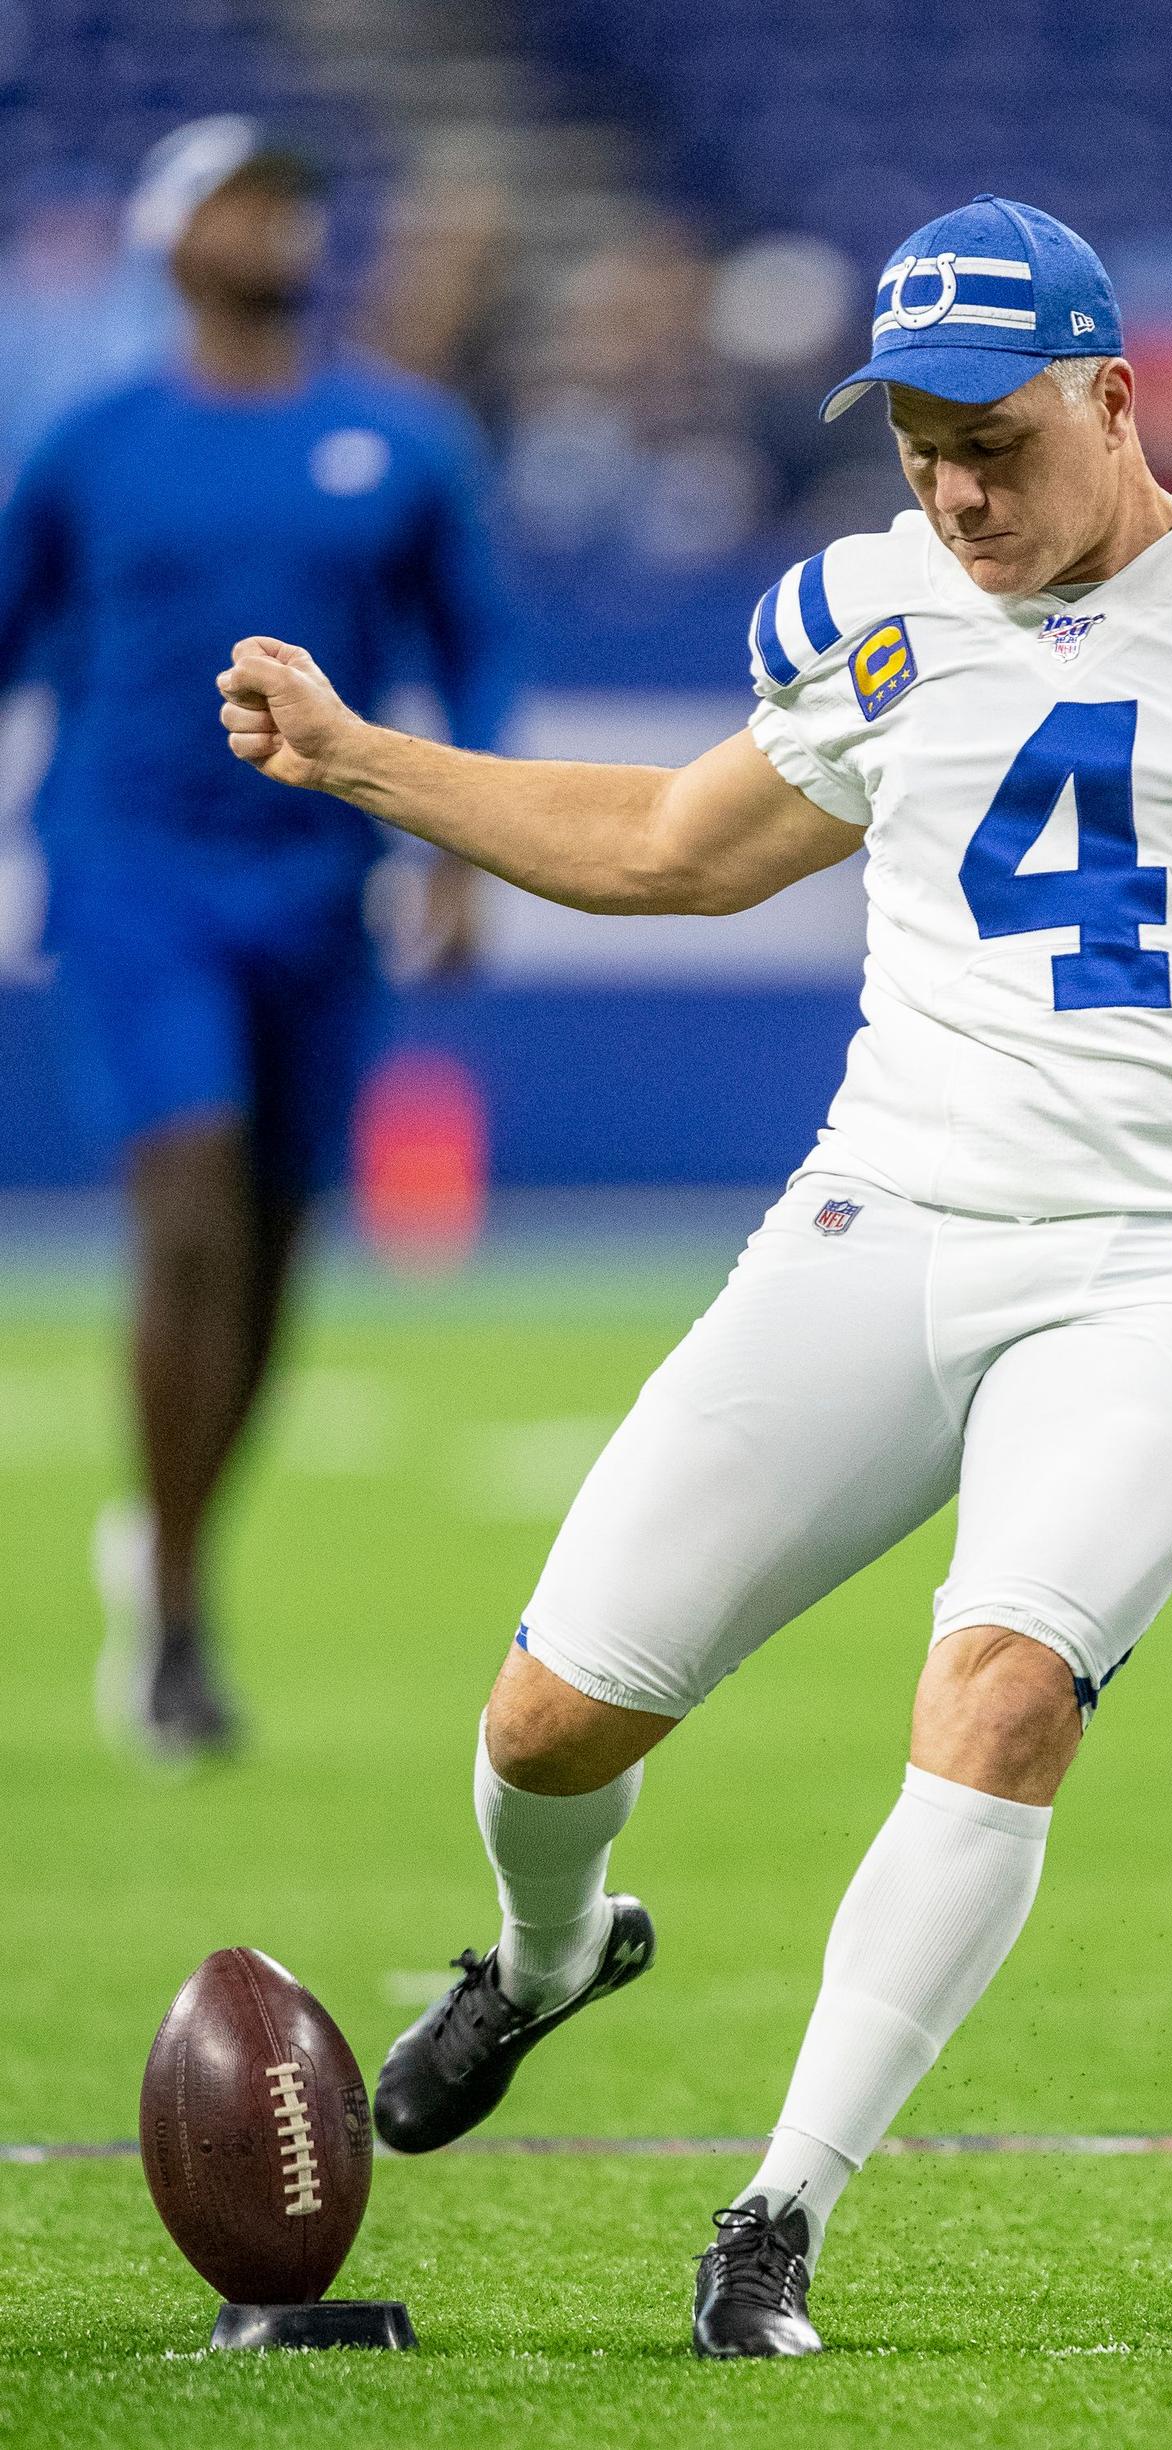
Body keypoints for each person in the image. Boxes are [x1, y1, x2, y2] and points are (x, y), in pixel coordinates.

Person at [216, 195, 1172, 2357]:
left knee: (1002, 1693)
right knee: (547, 1722)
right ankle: (549, 1956)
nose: (956, 487)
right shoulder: (875, 610)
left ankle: (776, 2214)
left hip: (1160, 1262)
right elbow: (667, 846)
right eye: (920, 441)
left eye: (998, 437)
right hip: (882, 1221)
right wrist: (366, 759)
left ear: (1117, 397)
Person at [0, 118, 514, 1758]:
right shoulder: (94, 444)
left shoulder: (399, 439)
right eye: (238, 200)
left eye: (291, 199)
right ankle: (176, 1604)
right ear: (173, 236)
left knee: (280, 1250)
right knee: (194, 1205)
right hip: (134, 870)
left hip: (315, 882)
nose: (272, 225)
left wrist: (457, 840)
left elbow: (478, 648)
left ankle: (172, 1547)